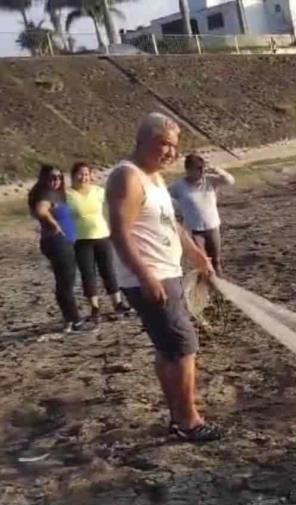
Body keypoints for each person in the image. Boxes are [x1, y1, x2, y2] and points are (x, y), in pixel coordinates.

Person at [106, 112, 221, 443]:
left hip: (167, 272)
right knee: (184, 348)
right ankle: (189, 422)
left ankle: (177, 415)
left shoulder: (153, 178)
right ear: (142, 141)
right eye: (164, 144)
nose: (171, 152)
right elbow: (119, 232)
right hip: (151, 277)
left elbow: (171, 224)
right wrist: (146, 277)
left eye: (175, 146)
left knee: (168, 349)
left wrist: (196, 256)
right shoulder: (127, 177)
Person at [28, 165, 89, 333]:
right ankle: (74, 320)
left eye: (59, 177)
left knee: (65, 282)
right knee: (66, 283)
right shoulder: (44, 195)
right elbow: (41, 211)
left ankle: (69, 319)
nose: (56, 181)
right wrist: (54, 225)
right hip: (57, 243)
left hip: (60, 243)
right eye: (51, 178)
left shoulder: (53, 194)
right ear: (43, 179)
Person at [67, 161, 130, 320]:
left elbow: (117, 203)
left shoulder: (98, 191)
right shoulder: (67, 195)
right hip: (81, 240)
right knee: (88, 274)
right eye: (80, 174)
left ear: (91, 175)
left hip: (102, 236)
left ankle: (117, 303)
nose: (83, 177)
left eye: (86, 174)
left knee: (108, 271)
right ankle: (94, 308)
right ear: (73, 176)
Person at [169, 154, 234, 276]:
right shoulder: (179, 186)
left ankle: (219, 286)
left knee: (216, 260)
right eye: (197, 168)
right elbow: (164, 196)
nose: (201, 172)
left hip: (212, 226)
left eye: (202, 168)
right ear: (188, 170)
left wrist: (216, 170)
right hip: (194, 230)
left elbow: (230, 180)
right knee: (202, 262)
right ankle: (205, 288)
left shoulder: (209, 180)